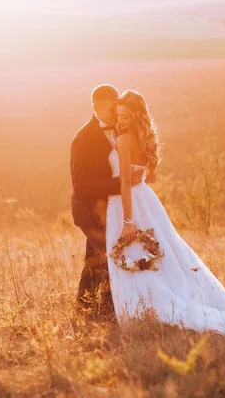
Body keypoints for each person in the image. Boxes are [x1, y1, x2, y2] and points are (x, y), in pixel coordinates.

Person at [105, 90, 225, 335]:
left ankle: (143, 311)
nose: (120, 121)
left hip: (128, 203)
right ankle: (158, 302)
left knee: (135, 252)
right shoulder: (145, 139)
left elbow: (123, 183)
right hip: (147, 199)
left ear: (136, 116)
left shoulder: (123, 141)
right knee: (165, 251)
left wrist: (128, 221)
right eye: (118, 116)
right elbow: (150, 177)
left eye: (125, 116)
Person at [70, 84, 143, 320]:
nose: (115, 115)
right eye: (110, 110)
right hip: (92, 211)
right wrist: (122, 182)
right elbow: (81, 187)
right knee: (107, 259)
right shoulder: (83, 138)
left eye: (117, 109)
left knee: (99, 260)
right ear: (95, 107)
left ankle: (97, 311)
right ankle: (97, 312)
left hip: (113, 208)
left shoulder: (121, 131)